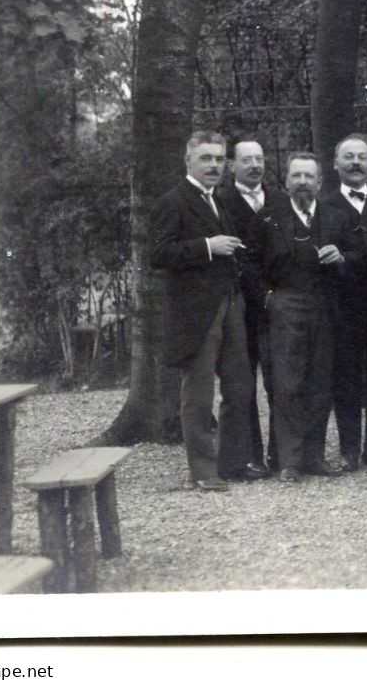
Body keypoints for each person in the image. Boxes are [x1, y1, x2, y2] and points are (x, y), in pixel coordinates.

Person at [148, 131, 257, 491]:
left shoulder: (219, 201)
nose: (214, 165)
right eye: (206, 158)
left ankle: (232, 463)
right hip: (195, 313)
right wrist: (208, 247)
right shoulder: (173, 201)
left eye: (219, 159)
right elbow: (159, 255)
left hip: (230, 303)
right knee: (198, 393)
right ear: (189, 161)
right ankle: (203, 471)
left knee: (240, 387)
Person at [260, 152, 347, 482]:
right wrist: (269, 298)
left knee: (320, 383)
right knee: (288, 383)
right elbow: (251, 265)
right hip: (286, 307)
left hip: (324, 307)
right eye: (296, 176)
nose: (302, 183)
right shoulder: (270, 218)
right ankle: (290, 461)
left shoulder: (334, 217)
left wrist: (341, 258)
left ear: (320, 182)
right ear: (286, 180)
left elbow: (356, 257)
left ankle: (315, 456)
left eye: (309, 177)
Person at [214, 137, 286, 476]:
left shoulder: (278, 200)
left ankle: (281, 453)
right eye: (247, 160)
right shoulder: (221, 201)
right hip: (240, 305)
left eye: (259, 158)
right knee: (241, 383)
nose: (255, 165)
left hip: (276, 307)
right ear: (232, 166)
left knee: (280, 381)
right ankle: (247, 457)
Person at [322, 134, 367, 471]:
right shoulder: (325, 206)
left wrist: (349, 258)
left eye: (361, 157)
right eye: (348, 157)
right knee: (346, 378)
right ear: (336, 164)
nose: (355, 163)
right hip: (343, 307)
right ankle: (350, 449)